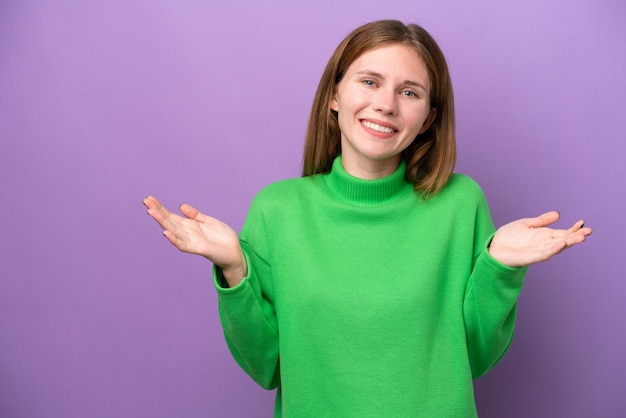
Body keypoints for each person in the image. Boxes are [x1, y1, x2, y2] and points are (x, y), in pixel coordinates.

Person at [143, 20, 592, 417]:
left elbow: (471, 360)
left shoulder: (460, 202)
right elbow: (267, 367)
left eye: (409, 92)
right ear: (335, 96)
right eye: (370, 82)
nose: (387, 105)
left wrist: (499, 269)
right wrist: (235, 271)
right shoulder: (277, 210)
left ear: (428, 120)